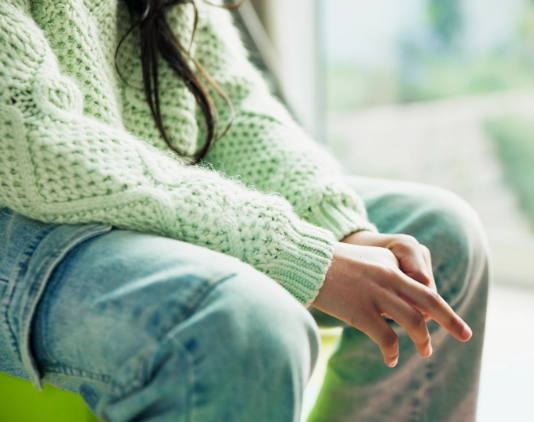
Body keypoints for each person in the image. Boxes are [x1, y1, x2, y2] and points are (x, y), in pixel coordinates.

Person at [0, 1, 489, 421]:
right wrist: (296, 254)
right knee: (246, 324)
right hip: (17, 218)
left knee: (440, 238)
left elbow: (235, 109)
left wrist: (341, 227)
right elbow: (34, 139)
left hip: (137, 187)